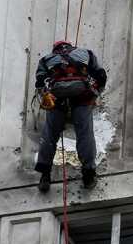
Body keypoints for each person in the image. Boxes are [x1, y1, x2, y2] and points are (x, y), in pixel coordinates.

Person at [34, 40, 107, 191]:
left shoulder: (46, 59)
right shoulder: (86, 53)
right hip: (82, 96)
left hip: (58, 98)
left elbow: (40, 83)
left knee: (50, 135)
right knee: (85, 135)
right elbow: (101, 75)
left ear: (55, 49)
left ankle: (45, 176)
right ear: (70, 46)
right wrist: (95, 95)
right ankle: (88, 175)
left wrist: (47, 97)